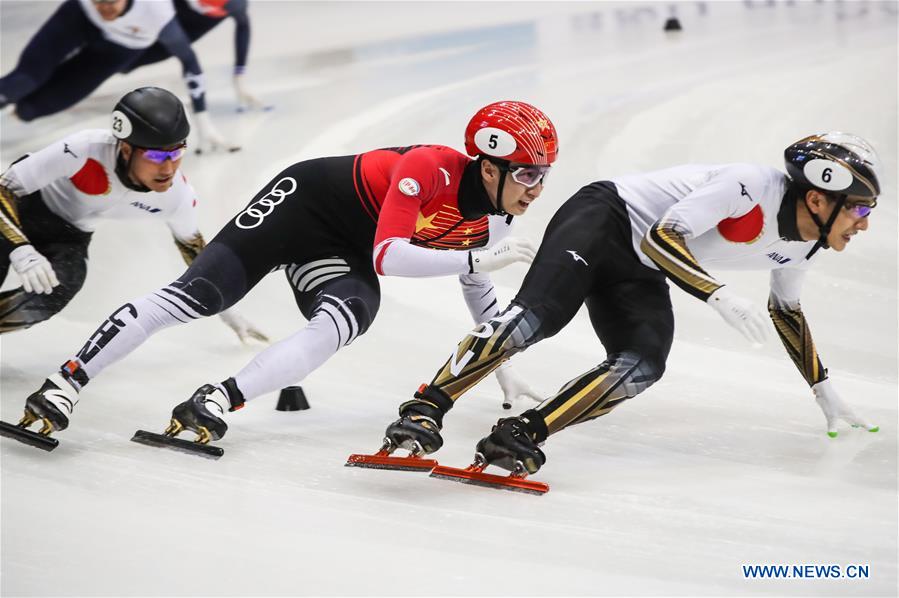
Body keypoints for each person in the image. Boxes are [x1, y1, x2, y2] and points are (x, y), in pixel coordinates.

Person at [10, 101, 558, 445]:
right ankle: (64, 384)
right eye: (528, 173)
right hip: (301, 206)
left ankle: (215, 400)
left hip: (345, 246)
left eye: (544, 176)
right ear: (490, 165)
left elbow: (477, 286)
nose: (536, 188)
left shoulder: (498, 218)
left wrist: (498, 361)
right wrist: (474, 260)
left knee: (348, 318)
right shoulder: (429, 166)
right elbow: (390, 256)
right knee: (197, 295)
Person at [378, 132, 882, 479]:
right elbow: (664, 238)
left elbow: (787, 310)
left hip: (640, 268)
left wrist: (822, 388)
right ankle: (425, 409)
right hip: (606, 220)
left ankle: (523, 434)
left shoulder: (808, 243)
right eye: (859, 208)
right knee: (535, 320)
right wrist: (717, 292)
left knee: (643, 364)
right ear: (818, 198)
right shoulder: (749, 185)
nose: (862, 223)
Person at [0, 86, 264, 344]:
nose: (168, 167)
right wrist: (21, 249)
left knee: (59, 290)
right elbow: (4, 189)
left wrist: (227, 310)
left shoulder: (177, 196)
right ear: (126, 149)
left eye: (177, 152)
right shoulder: (84, 149)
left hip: (69, 234)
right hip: (21, 207)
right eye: (156, 155)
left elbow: (195, 252)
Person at [0, 0, 233, 150]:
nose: (104, 9)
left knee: (34, 108)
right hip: (79, 17)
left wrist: (203, 120)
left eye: (111, 2)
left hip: (120, 47)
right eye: (98, 1)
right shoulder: (92, 6)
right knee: (25, 79)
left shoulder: (157, 14)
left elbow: (190, 62)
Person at [125, 0, 268, 112]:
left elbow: (243, 26)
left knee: (133, 61)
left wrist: (239, 76)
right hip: (167, 16)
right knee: (126, 50)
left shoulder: (235, 4)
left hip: (192, 26)